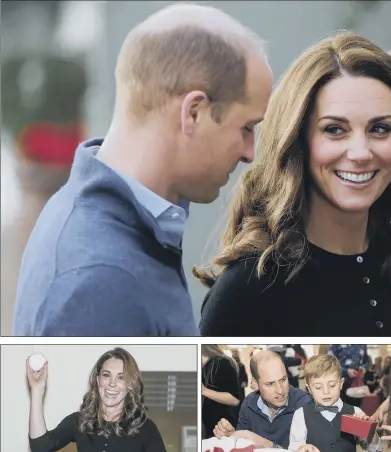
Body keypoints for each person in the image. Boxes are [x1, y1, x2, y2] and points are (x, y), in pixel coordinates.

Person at [13, 3, 273, 336]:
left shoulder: (118, 230)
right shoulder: (99, 280)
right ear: (193, 112)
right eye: (246, 128)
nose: (250, 154)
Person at [196, 31, 391, 337]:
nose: (361, 153)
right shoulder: (246, 289)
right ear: (298, 141)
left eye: (379, 128)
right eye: (335, 129)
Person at [27, 347, 174, 452]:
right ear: (98, 381)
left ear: (130, 384)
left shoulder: (146, 428)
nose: (112, 383)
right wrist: (37, 390)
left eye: (121, 377)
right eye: (106, 375)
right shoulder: (80, 421)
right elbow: (40, 446)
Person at [289, 354, 383, 452]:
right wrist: (301, 448)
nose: (326, 392)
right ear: (309, 388)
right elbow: (293, 449)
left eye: (332, 385)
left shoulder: (355, 412)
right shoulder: (301, 414)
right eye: (318, 387)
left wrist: (370, 433)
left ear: (341, 384)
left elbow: (375, 450)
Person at [212, 350, 311, 448]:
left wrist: (267, 445)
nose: (280, 390)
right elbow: (244, 449)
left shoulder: (305, 404)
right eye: (270, 384)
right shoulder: (248, 403)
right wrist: (233, 436)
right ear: (255, 383)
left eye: (283, 380)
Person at [201, 345, 241, 439]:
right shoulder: (203, 367)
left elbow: (235, 399)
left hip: (223, 430)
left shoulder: (222, 363)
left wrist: (204, 391)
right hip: (208, 429)